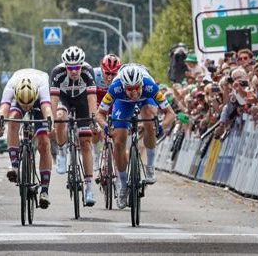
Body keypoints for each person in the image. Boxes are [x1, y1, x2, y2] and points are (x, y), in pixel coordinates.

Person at [96, 64, 176, 209]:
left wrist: (161, 127)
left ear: (141, 84)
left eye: (136, 88)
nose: (133, 92)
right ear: (124, 86)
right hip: (123, 103)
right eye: (130, 89)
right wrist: (106, 127)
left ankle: (150, 166)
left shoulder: (149, 86)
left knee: (149, 118)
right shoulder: (116, 88)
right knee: (119, 141)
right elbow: (99, 114)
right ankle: (123, 185)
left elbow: (170, 113)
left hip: (146, 100)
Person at [0, 68, 54, 209]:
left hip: (38, 102)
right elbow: (3, 109)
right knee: (13, 119)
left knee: (44, 144)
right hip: (20, 96)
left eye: (28, 104)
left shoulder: (42, 85)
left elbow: (46, 108)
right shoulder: (11, 85)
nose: (27, 107)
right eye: (24, 105)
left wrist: (50, 123)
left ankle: (44, 191)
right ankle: (14, 166)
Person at [50, 46, 98, 206]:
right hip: (64, 99)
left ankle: (89, 187)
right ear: (65, 66)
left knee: (85, 141)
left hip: (82, 100)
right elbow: (54, 101)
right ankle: (62, 152)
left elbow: (92, 99)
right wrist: (50, 119)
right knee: (60, 116)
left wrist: (93, 120)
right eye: (70, 67)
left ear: (81, 65)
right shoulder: (57, 73)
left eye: (77, 67)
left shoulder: (88, 72)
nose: (74, 71)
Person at [92, 54, 122, 173]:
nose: (109, 77)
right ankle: (95, 153)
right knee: (94, 128)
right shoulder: (94, 74)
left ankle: (115, 161)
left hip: (114, 104)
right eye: (107, 73)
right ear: (101, 68)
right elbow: (89, 96)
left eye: (113, 74)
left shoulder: (122, 77)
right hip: (98, 103)